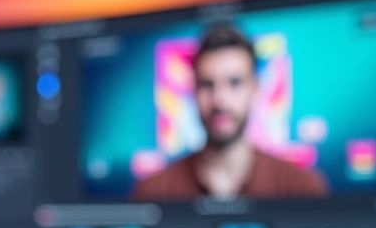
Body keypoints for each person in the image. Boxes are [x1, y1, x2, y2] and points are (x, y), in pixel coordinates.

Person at [130, 24, 329, 201]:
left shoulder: (302, 189)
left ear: (255, 88)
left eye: (234, 83)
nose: (220, 100)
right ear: (193, 92)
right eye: (207, 84)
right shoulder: (152, 193)